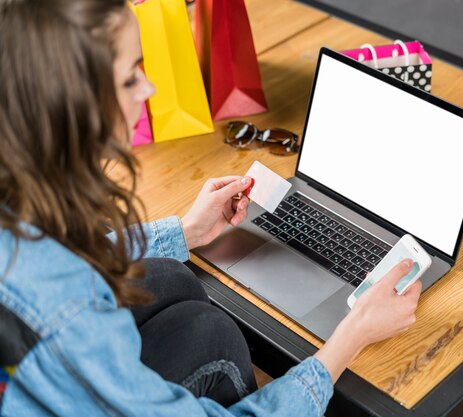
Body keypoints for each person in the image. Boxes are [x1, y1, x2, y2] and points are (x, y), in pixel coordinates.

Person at [0, 1, 423, 416]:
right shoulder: (68, 317)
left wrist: (185, 232)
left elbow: (69, 259)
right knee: (218, 339)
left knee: (168, 277)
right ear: (71, 103)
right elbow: (66, 297)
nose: (148, 90)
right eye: (131, 77)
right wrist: (350, 338)